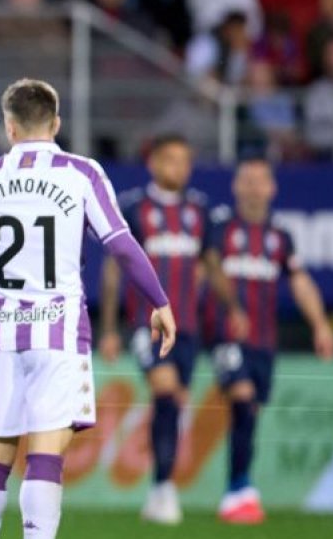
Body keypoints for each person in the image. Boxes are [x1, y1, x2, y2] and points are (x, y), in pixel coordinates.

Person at [0, 78, 175, 539]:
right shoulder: (80, 173)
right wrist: (158, 300)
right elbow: (121, 245)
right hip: (58, 334)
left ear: (9, 126)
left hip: (1, 336)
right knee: (45, 455)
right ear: (57, 123)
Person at [202, 159, 333, 523]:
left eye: (261, 181)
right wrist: (232, 307)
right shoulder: (220, 225)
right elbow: (212, 266)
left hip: (263, 339)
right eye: (247, 180)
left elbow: (299, 280)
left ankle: (238, 489)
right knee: (242, 397)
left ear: (272, 188)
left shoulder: (281, 235)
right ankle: (238, 490)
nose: (254, 187)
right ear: (236, 186)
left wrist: (320, 325)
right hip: (226, 332)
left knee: (251, 412)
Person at [98, 134, 210, 525]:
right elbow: (114, 268)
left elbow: (206, 269)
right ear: (154, 164)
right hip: (146, 323)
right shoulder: (133, 207)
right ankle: (164, 489)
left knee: (175, 401)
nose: (179, 168)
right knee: (164, 391)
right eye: (171, 160)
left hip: (189, 326)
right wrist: (109, 329)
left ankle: (161, 487)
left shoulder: (200, 211)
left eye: (185, 161)